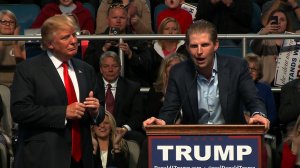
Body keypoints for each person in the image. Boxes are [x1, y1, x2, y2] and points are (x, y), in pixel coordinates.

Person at [11, 15, 104, 168]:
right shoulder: (28, 69)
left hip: (82, 159)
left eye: (74, 35)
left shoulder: (85, 69)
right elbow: (20, 111)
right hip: (44, 157)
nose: (74, 41)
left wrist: (95, 112)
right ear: (50, 44)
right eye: (66, 37)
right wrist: (63, 113)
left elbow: (100, 111)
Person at [143, 19, 270, 129]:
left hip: (231, 138)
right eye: (194, 46)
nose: (199, 51)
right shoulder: (179, 72)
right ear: (187, 48)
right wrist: (162, 122)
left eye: (204, 45)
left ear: (216, 45)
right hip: (193, 140)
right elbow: (170, 110)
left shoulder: (236, 67)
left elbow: (253, 100)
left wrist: (258, 114)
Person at [84, 3, 153, 87]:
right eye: (115, 17)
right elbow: (87, 66)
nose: (118, 21)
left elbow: (148, 67)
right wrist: (103, 50)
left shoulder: (138, 40)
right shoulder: (97, 40)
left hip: (132, 89)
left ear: (127, 20)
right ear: (108, 19)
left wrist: (131, 54)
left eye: (122, 18)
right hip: (102, 89)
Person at [97, 51, 146, 147]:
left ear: (120, 68)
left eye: (114, 66)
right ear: (101, 69)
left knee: (141, 138)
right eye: (106, 66)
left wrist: (125, 128)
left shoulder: (132, 88)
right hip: (98, 129)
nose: (110, 70)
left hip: (122, 130)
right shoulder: (91, 86)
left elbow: (138, 115)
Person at [250, 9, 293, 85]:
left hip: (288, 83)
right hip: (268, 83)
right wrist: (264, 31)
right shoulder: (264, 39)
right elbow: (253, 45)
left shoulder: (293, 39)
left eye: (282, 20)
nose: (278, 22)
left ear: (287, 24)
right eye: (275, 19)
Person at [146, 52, 187, 119]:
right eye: (169, 65)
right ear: (164, 69)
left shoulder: (190, 89)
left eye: (177, 65)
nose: (172, 68)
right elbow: (150, 117)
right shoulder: (155, 91)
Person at [150, 17, 189, 83]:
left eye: (174, 29)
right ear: (161, 31)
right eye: (167, 29)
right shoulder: (153, 49)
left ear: (178, 31)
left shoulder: (185, 49)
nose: (170, 32)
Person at [244, 53, 278, 127]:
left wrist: (262, 123)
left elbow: (272, 115)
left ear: (259, 72)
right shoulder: (236, 87)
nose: (250, 72)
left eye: (253, 69)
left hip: (261, 127)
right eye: (247, 68)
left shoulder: (265, 88)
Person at [31, 0, 95, 34]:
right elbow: (33, 32)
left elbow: (90, 34)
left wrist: (85, 33)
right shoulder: (48, 9)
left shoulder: (84, 12)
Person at [0, 10, 26, 87]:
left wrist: (15, 42)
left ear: (15, 26)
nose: (8, 24)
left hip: (17, 82)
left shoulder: (21, 42)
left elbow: (22, 64)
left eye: (11, 22)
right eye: (3, 21)